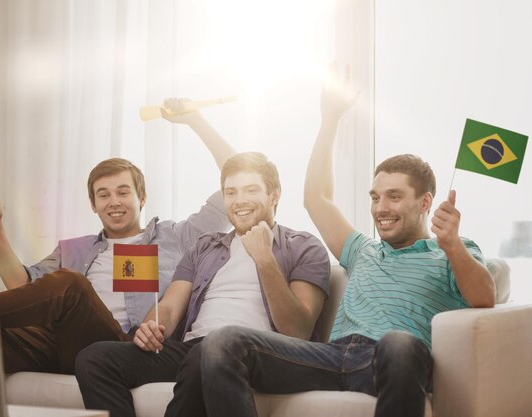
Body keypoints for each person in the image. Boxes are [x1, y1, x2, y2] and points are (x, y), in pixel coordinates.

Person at [194, 64, 496, 417]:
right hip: (331, 356)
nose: (381, 208)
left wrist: (453, 245)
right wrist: (330, 120)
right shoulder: (363, 249)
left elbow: (483, 296)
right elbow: (317, 199)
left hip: (389, 360)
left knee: (399, 343)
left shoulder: (451, 251)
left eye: (394, 197)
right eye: (375, 197)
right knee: (221, 343)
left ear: (425, 202)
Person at [0, 99, 236, 375]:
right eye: (103, 194)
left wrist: (197, 121)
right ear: (93, 204)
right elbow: (22, 286)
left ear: (142, 198)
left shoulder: (176, 236)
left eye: (123, 192)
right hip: (67, 343)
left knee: (71, 284)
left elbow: (236, 182)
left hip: (128, 347)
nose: (114, 201)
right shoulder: (74, 249)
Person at [75, 152, 331, 417]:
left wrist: (265, 258)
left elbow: (297, 331)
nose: (239, 200)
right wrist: (151, 327)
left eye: (251, 190)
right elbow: (171, 308)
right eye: (231, 192)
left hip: (256, 352)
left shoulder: (304, 246)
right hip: (193, 348)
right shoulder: (204, 247)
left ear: (274, 195)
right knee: (94, 358)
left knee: (211, 350)